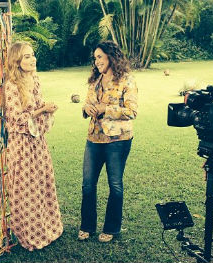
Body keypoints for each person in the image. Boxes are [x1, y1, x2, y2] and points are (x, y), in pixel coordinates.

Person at [3, 41, 63, 251]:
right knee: (26, 189)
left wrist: (47, 109)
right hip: (21, 144)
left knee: (42, 184)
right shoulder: (11, 86)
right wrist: (40, 111)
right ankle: (29, 236)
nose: (32, 59)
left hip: (37, 141)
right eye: (27, 56)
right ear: (17, 61)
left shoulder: (34, 80)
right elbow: (16, 118)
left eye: (32, 55)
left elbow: (37, 107)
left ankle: (47, 228)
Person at [78, 41, 138, 243]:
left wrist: (106, 109)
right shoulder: (95, 80)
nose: (96, 62)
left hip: (117, 141)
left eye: (100, 57)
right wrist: (88, 109)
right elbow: (87, 104)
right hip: (94, 138)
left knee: (115, 185)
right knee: (88, 185)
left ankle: (111, 228)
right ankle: (87, 226)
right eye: (95, 58)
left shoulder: (126, 81)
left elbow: (132, 111)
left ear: (111, 57)